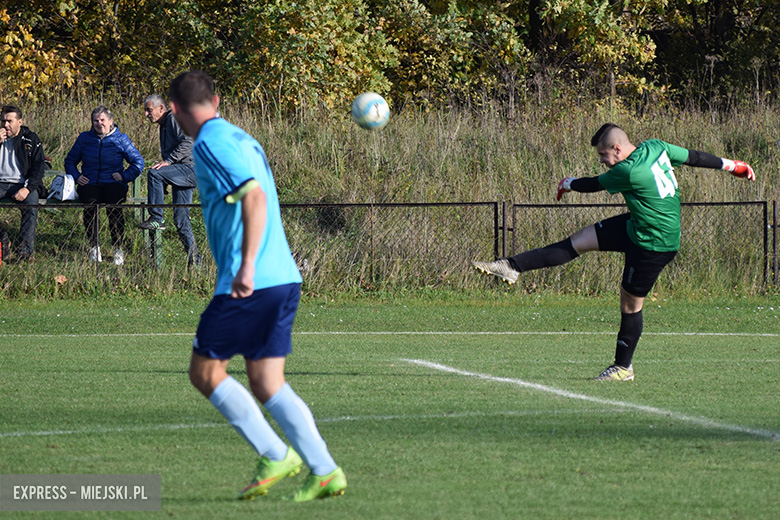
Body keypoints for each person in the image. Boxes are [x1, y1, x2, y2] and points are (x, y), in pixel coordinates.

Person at [168, 70, 346, 502]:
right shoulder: (240, 136)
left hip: (250, 281)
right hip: (283, 276)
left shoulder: (209, 142)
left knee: (206, 372)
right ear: (217, 99)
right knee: (267, 381)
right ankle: (324, 471)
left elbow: (253, 196)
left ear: (173, 111)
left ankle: (275, 452)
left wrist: (245, 267)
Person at [472, 123, 756, 381]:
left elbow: (593, 184)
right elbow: (694, 157)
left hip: (654, 243)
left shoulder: (628, 170)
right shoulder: (656, 147)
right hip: (637, 224)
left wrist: (568, 183)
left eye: (603, 155)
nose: (602, 161)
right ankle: (511, 267)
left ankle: (623, 367)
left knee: (630, 304)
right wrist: (733, 166)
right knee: (580, 240)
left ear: (617, 149)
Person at [64, 106, 144, 265]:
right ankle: (94, 248)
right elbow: (70, 161)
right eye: (96, 120)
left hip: (113, 183)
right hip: (90, 182)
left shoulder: (121, 139)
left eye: (102, 120)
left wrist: (123, 176)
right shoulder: (84, 139)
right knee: (90, 208)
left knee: (115, 210)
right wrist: (78, 177)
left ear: (111, 122)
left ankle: (118, 249)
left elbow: (138, 162)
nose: (99, 123)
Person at [139, 94, 201, 266]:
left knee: (155, 173)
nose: (146, 114)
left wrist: (168, 162)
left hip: (190, 168)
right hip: (182, 171)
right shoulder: (164, 124)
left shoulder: (173, 118)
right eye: (145, 110)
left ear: (161, 108)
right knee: (181, 220)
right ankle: (195, 262)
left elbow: (188, 141)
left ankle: (156, 218)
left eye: (149, 110)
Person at [0, 105, 46, 261]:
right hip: (1, 183)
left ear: (19, 122)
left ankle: (24, 252)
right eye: (3, 121)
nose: (6, 125)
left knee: (31, 206)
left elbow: (39, 167)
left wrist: (28, 188)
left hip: (23, 183)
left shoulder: (30, 139)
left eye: (9, 121)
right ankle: (2, 239)